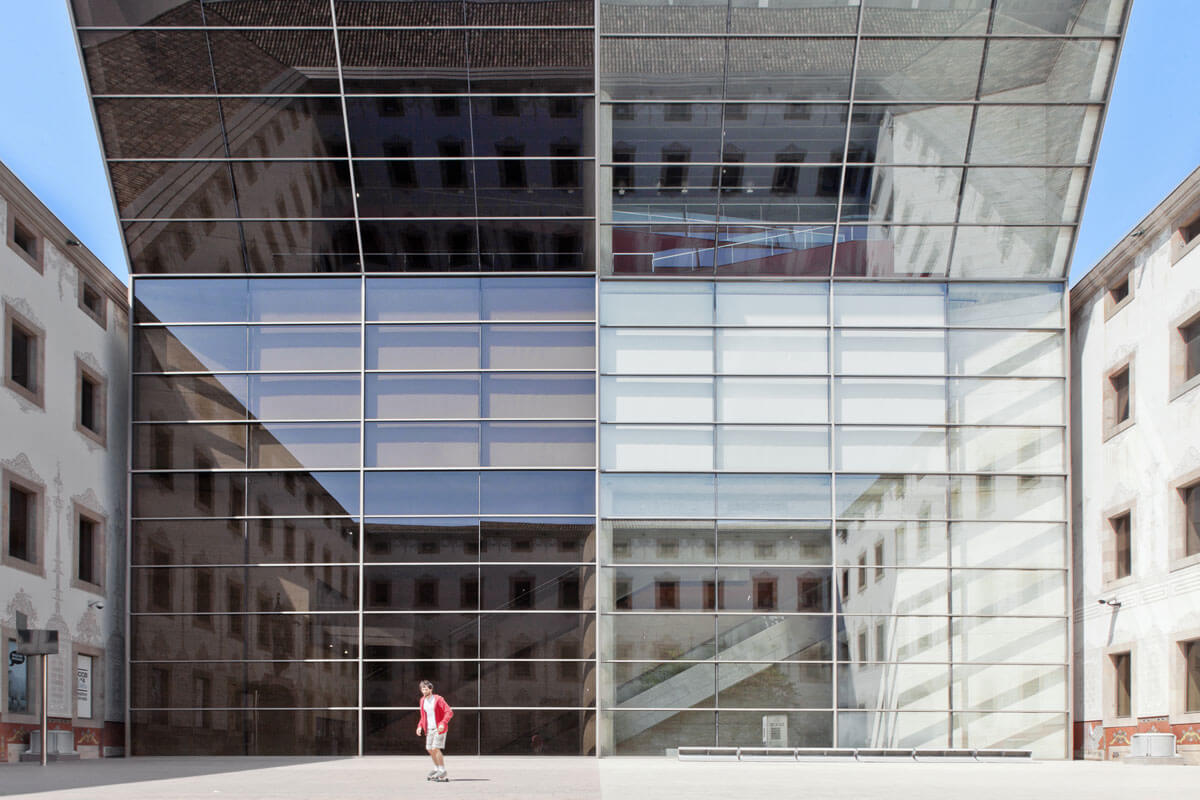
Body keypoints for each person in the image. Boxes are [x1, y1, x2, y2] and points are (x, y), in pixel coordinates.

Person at [416, 679, 453, 782]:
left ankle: (442, 770)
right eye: (422, 689)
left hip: (439, 728)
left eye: (426, 689)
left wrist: (443, 723)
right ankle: (437, 768)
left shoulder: (438, 699)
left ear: (431, 689)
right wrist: (419, 726)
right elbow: (423, 716)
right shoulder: (422, 700)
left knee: (436, 748)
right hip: (429, 729)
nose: (424, 691)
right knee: (429, 749)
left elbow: (449, 712)